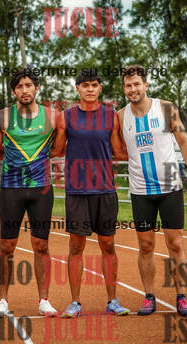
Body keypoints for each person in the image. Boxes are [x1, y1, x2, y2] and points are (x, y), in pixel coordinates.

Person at [116, 65, 187, 317]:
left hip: (169, 187)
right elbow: (117, 150)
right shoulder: (120, 116)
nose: (133, 89)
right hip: (140, 191)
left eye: (136, 84)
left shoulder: (166, 108)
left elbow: (183, 141)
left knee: (175, 243)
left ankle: (181, 297)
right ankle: (149, 297)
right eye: (128, 85)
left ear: (146, 85)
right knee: (145, 246)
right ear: (124, 88)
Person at [51, 69, 130, 318]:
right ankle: (75, 302)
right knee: (76, 247)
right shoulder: (66, 117)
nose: (90, 89)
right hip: (77, 190)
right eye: (85, 85)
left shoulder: (111, 116)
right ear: (77, 89)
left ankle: (113, 301)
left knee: (108, 244)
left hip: (105, 189)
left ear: (100, 88)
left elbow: (119, 152)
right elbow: (57, 150)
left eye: (94, 85)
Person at [0, 68, 60, 318]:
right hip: (11, 189)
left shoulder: (54, 116)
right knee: (7, 246)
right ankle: (2, 300)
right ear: (13, 91)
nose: (25, 90)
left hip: (41, 189)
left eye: (29, 85)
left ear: (37, 88)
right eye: (19, 87)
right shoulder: (2, 117)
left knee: (41, 245)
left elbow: (58, 148)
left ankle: (44, 300)